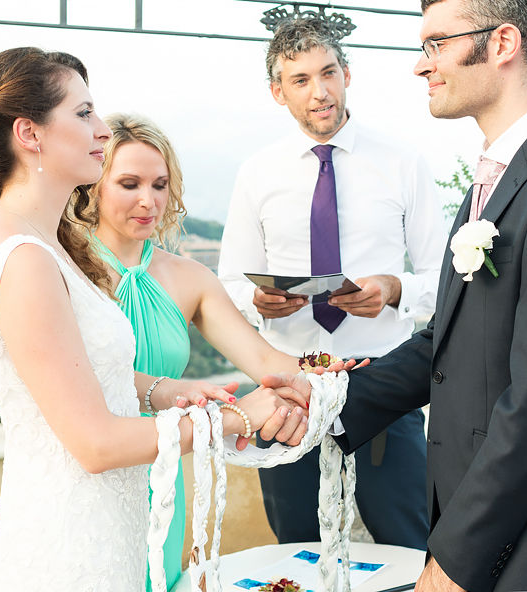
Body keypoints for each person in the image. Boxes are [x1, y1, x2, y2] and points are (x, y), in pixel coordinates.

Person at [263, 0, 527, 592]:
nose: (421, 65)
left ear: (502, 43)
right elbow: (443, 347)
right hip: (493, 530)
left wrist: (455, 560)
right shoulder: (496, 181)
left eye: (436, 43)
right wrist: (321, 406)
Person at [0, 47, 306, 592]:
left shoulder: (41, 248)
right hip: (73, 544)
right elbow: (95, 444)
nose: (100, 129)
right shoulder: (26, 260)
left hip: (108, 527)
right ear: (30, 134)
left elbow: (77, 379)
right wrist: (238, 418)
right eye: (83, 112)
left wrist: (166, 390)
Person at [74, 113, 363, 589]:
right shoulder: (63, 270)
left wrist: (334, 376)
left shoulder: (189, 277)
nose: (149, 201)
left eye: (160, 184)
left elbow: (267, 363)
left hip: (160, 474)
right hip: (86, 468)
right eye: (129, 184)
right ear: (92, 187)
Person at [218, 18, 445, 549]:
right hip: (288, 390)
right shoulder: (256, 173)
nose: (319, 92)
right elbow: (228, 284)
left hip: (386, 383)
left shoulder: (404, 163)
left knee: (411, 540)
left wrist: (395, 291)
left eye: (328, 74)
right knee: (296, 544)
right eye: (299, 80)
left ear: (347, 74)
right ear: (278, 91)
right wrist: (257, 301)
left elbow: (446, 279)